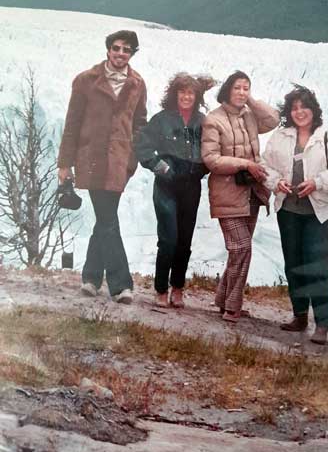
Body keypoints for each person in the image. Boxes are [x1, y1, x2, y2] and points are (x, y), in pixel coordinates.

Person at [57, 30, 147, 304]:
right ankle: (121, 285)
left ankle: (91, 279)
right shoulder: (86, 81)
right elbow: (72, 123)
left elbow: (140, 123)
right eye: (117, 48)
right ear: (108, 50)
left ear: (132, 54)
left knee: (105, 219)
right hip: (93, 159)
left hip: (120, 162)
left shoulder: (137, 83)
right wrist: (64, 164)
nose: (121, 53)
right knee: (108, 218)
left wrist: (132, 158)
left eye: (127, 50)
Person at [262, 86, 328, 344]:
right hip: (288, 210)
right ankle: (299, 315)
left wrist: (317, 182)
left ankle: (323, 323)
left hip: (318, 212)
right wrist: (276, 182)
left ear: (314, 109)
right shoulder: (280, 137)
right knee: (293, 264)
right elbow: (265, 165)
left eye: (304, 106)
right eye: (294, 108)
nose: (299, 112)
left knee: (316, 267)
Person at [201, 71, 279, 322]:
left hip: (252, 193)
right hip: (227, 193)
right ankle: (233, 306)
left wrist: (251, 101)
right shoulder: (213, 120)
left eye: (246, 88)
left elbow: (273, 120)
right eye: (237, 88)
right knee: (242, 247)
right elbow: (211, 159)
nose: (242, 92)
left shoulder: (250, 116)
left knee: (239, 250)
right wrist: (245, 164)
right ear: (227, 90)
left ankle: (223, 300)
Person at [135, 72, 215, 308]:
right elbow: (143, 146)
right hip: (167, 185)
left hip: (191, 186)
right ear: (174, 93)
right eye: (182, 92)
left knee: (184, 239)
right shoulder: (161, 119)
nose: (186, 96)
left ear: (197, 96)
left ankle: (177, 287)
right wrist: (159, 166)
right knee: (168, 238)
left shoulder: (203, 121)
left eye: (191, 92)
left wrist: (202, 169)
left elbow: (212, 150)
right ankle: (161, 288)